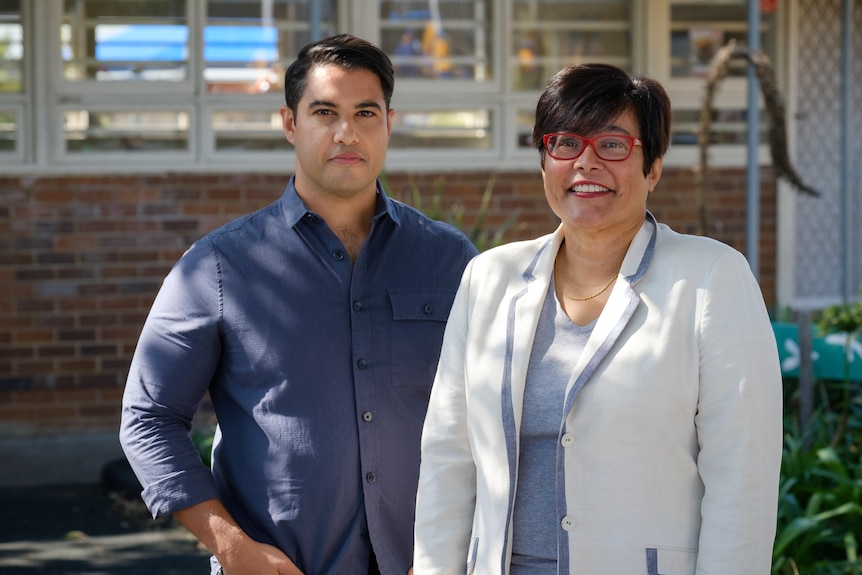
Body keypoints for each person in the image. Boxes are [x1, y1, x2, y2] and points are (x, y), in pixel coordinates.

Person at [120, 34, 476, 575]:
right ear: (290, 123)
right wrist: (231, 548)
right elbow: (149, 417)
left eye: (365, 113)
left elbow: (494, 413)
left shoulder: (450, 260)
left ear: (389, 122)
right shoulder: (219, 266)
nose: (346, 132)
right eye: (324, 111)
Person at [412, 63, 782, 574]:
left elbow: (743, 475)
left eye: (613, 145)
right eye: (565, 143)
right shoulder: (488, 279)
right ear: (544, 162)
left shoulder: (711, 278)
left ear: (652, 167)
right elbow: (448, 459)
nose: (586, 163)